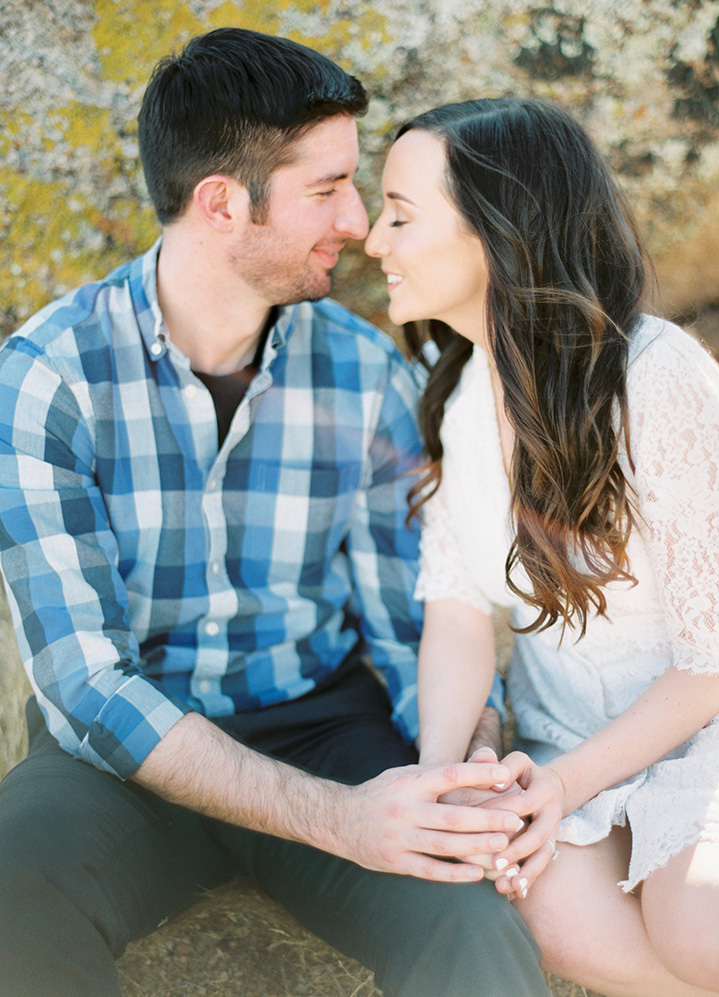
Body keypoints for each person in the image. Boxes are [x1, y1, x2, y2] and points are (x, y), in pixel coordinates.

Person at [0, 33, 550, 997]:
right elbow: (86, 681)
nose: (360, 219)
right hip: (121, 756)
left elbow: (411, 618)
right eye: (328, 187)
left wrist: (464, 766)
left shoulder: (369, 374)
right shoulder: (45, 379)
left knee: (470, 913)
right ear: (222, 202)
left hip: (320, 723)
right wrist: (339, 821)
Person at [365, 97, 719, 997]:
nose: (374, 241)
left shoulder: (655, 377)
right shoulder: (458, 401)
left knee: (701, 926)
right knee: (556, 917)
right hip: (566, 730)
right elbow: (458, 620)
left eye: (400, 214)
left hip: (714, 714)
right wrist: (438, 783)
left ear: (499, 230)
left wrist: (563, 786)